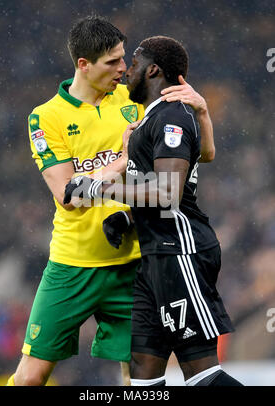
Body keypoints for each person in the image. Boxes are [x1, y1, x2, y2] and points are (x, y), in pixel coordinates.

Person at [7, 16, 215, 387]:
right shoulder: (46, 116)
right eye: (113, 62)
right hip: (73, 264)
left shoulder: (131, 98)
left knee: (138, 377)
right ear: (83, 65)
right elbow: (67, 194)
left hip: (133, 265)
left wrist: (201, 111)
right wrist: (123, 159)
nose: (123, 68)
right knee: (31, 376)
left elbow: (194, 152)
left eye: (124, 59)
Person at [64, 35, 243, 386]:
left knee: (201, 374)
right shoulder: (151, 120)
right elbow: (180, 172)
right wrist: (128, 217)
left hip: (181, 251)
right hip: (153, 258)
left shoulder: (171, 116)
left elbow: (168, 193)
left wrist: (98, 188)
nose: (127, 70)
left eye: (133, 62)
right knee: (143, 373)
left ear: (153, 69)